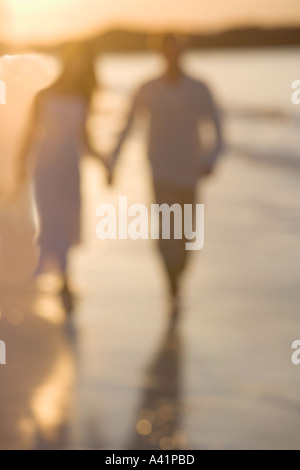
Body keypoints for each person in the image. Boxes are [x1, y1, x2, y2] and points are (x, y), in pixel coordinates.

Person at [108, 34, 223, 326]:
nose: (172, 56)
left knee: (186, 234)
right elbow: (128, 125)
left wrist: (211, 160)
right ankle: (172, 287)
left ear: (184, 51)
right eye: (167, 51)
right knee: (166, 232)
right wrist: (113, 162)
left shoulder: (199, 88)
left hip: (190, 172)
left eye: (177, 50)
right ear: (160, 53)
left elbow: (218, 130)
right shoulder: (147, 88)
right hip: (159, 171)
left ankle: (178, 278)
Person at [16, 44, 107, 295]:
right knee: (50, 216)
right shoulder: (44, 95)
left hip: (70, 165)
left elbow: (85, 138)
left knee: (68, 217)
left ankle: (64, 274)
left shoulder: (83, 96)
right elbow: (30, 133)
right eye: (73, 61)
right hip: (46, 165)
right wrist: (20, 164)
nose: (77, 68)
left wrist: (103, 163)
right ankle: (47, 270)